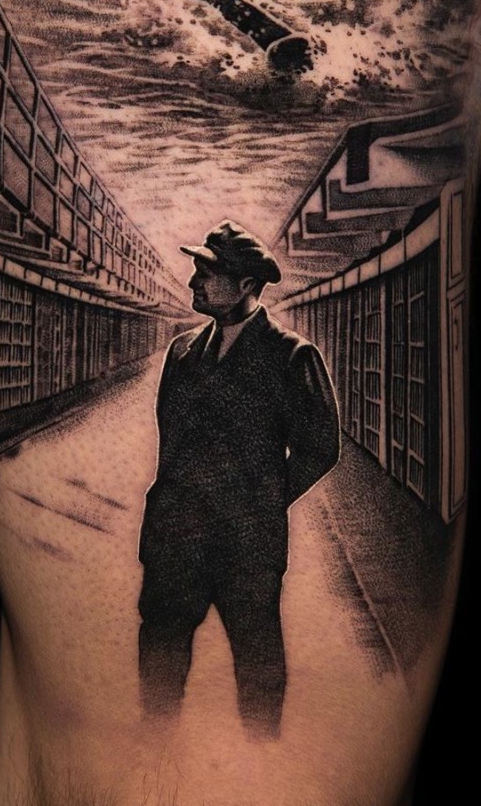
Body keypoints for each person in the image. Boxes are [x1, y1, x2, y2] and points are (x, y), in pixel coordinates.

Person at [138, 221, 340, 737]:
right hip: (174, 542)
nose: (193, 282)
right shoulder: (181, 352)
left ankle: (262, 760)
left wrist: (261, 500)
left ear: (247, 283)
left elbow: (321, 446)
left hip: (245, 546)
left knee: (258, 669)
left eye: (207, 273)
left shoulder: (291, 356)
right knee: (159, 664)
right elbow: (171, 440)